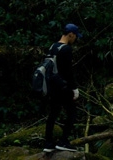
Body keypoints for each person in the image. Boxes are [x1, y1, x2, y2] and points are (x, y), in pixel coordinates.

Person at [43, 23, 82, 153]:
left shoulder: (53, 46)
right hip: (63, 87)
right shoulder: (66, 49)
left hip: (52, 87)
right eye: (75, 36)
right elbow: (68, 72)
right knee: (71, 113)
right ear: (70, 34)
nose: (75, 39)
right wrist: (74, 88)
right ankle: (63, 141)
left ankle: (48, 143)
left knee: (53, 114)